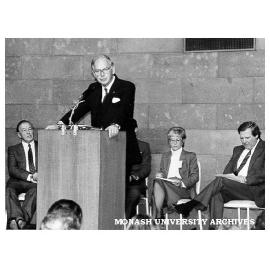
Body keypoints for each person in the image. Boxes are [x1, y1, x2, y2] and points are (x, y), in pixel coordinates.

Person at [175, 121, 265, 229]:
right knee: (216, 193)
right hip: (237, 187)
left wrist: (245, 179)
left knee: (221, 181)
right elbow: (227, 172)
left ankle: (191, 205)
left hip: (255, 190)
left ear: (256, 135)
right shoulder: (237, 149)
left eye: (247, 138)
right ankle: (213, 229)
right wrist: (230, 177)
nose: (244, 141)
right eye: (241, 138)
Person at [57, 54, 141, 168]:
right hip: (98, 148)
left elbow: (124, 109)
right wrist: (62, 123)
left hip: (121, 146)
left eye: (104, 70)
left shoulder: (126, 87)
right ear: (93, 73)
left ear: (112, 68)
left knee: (118, 184)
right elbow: (79, 108)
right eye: (97, 71)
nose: (101, 75)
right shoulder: (93, 88)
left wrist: (115, 124)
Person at [150, 127, 199, 219]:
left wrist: (181, 182)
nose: (175, 143)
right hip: (165, 186)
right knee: (157, 181)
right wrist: (160, 174)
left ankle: (156, 217)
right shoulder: (165, 156)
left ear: (183, 140)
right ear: (169, 141)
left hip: (182, 189)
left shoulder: (190, 156)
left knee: (157, 186)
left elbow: (195, 176)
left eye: (178, 140)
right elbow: (163, 172)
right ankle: (158, 216)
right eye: (172, 140)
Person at [6, 120, 38, 229]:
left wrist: (38, 176)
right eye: (24, 130)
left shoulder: (42, 146)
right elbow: (12, 169)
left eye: (30, 129)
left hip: (35, 182)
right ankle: (21, 221)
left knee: (36, 190)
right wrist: (30, 176)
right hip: (17, 181)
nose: (28, 132)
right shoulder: (13, 149)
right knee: (9, 189)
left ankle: (17, 220)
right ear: (19, 135)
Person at [125, 119, 151, 219]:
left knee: (133, 194)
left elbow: (146, 167)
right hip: (119, 182)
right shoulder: (116, 145)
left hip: (136, 183)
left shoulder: (144, 146)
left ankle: (125, 222)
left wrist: (134, 177)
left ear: (135, 130)